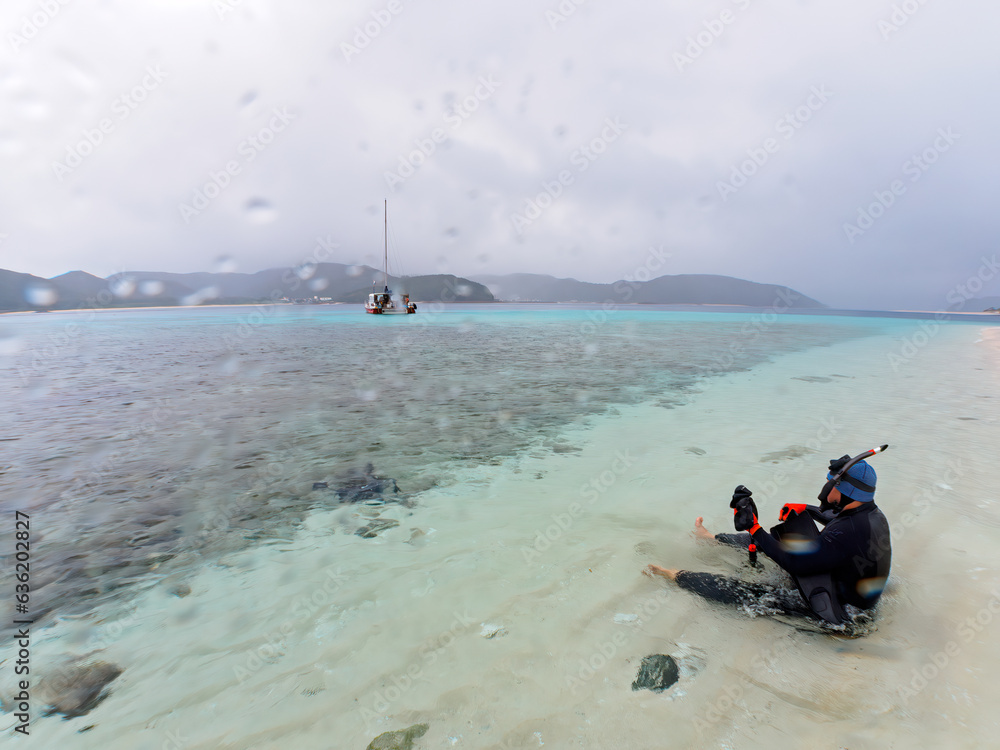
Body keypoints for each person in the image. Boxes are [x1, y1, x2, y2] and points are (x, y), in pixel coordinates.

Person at [644, 452, 892, 625]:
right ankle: (711, 538)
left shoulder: (846, 532)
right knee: (777, 538)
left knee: (748, 593)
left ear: (845, 490)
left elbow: (795, 562)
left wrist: (754, 529)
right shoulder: (870, 513)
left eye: (831, 484)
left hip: (841, 614)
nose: (827, 488)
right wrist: (805, 508)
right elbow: (834, 518)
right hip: (848, 589)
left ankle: (675, 575)